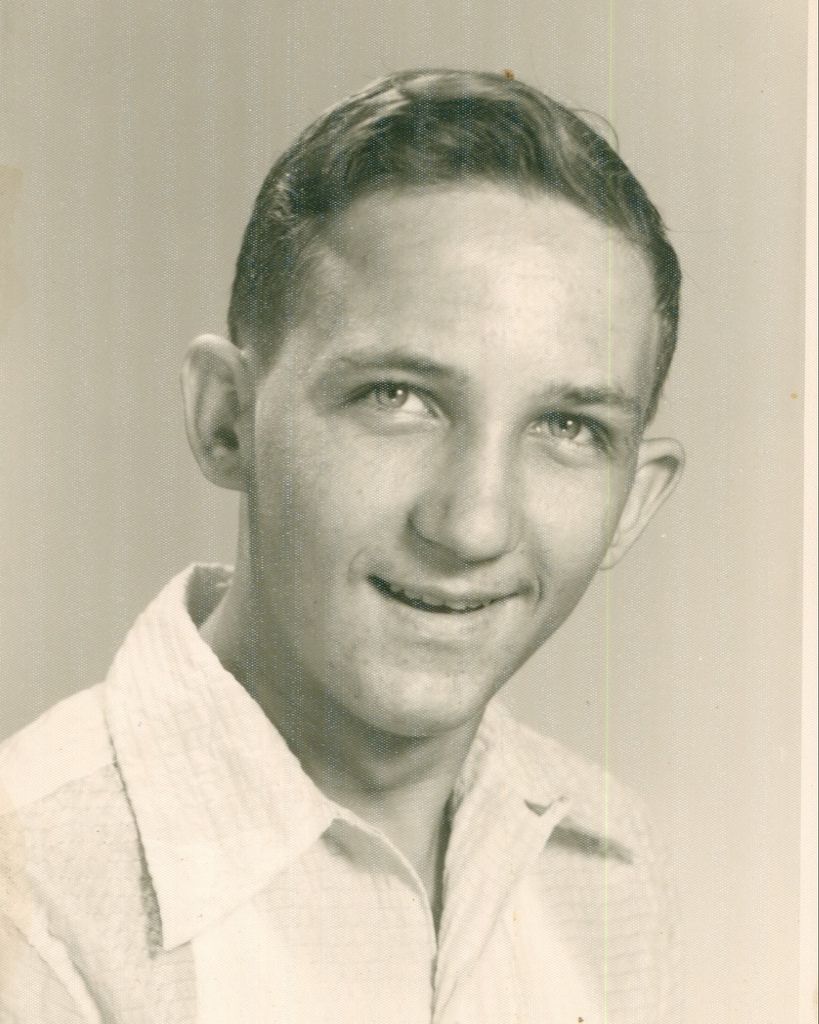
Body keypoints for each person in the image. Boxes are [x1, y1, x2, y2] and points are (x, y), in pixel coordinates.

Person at [0, 69, 684, 1023]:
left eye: (567, 427)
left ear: (633, 502)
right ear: (227, 419)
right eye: (396, 397)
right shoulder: (32, 899)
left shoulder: (608, 868)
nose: (472, 526)